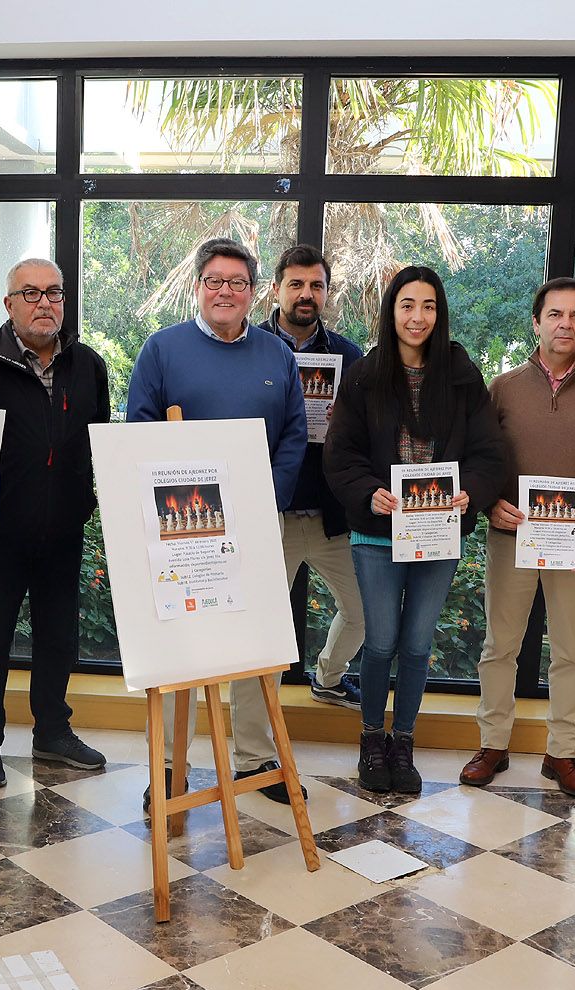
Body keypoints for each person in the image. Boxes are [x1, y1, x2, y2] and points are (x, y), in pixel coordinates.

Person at [127, 237, 305, 807]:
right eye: (214, 281)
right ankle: (171, 770)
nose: (225, 291)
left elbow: (294, 436)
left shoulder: (276, 354)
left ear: (254, 293)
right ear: (198, 287)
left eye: (237, 282)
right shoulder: (162, 349)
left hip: (258, 527)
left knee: (256, 646)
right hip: (185, 534)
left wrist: (263, 506)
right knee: (183, 649)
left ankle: (257, 757)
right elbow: (140, 432)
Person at [324, 266, 507, 793]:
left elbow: (489, 452)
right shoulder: (364, 374)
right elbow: (342, 456)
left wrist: (471, 488)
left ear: (439, 312)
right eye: (407, 305)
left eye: (428, 306)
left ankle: (402, 742)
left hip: (438, 530)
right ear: (391, 312)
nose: (417, 316)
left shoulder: (461, 374)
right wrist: (368, 493)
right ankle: (370, 739)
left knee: (418, 645)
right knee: (380, 643)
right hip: (378, 532)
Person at [463, 278, 575, 801]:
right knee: (500, 647)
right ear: (536, 322)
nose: (565, 324)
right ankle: (493, 745)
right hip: (512, 538)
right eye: (555, 314)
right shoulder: (504, 387)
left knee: (571, 651)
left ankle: (562, 753)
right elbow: (481, 459)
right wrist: (491, 503)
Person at [0, 258, 110, 788]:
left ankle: (52, 731)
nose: (44, 303)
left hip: (64, 529)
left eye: (54, 292)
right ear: (8, 305)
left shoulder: (88, 365)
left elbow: (101, 444)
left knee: (58, 637)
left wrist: (91, 503)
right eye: (30, 293)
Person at [250, 245, 370, 800]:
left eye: (316, 286)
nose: (306, 295)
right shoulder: (247, 349)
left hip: (330, 515)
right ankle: (254, 759)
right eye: (295, 284)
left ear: (326, 292)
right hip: (266, 513)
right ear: (275, 289)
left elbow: (371, 431)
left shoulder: (350, 356)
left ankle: (326, 677)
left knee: (367, 611)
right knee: (265, 644)